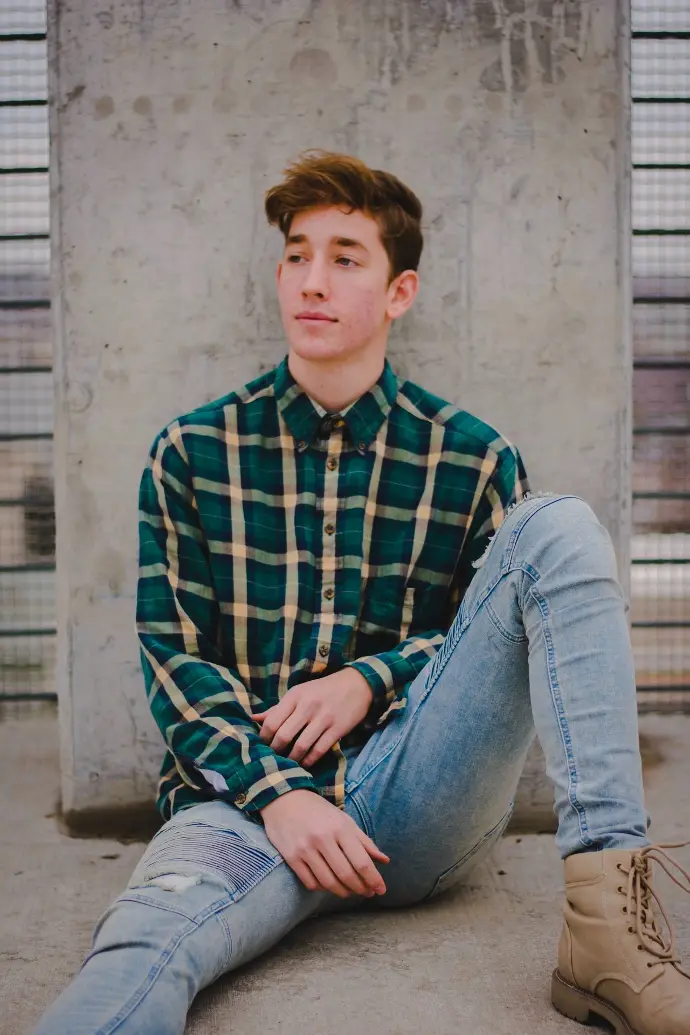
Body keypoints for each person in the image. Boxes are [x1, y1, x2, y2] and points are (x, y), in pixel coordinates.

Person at [35, 151, 689, 1035]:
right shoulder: (190, 452)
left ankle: (610, 921)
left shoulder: (471, 456)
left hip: (413, 792)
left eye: (346, 258)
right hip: (241, 802)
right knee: (142, 941)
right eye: (298, 255)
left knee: (558, 526)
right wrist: (281, 793)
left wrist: (370, 678)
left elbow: (482, 637)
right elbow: (174, 658)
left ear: (399, 291)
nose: (313, 280)